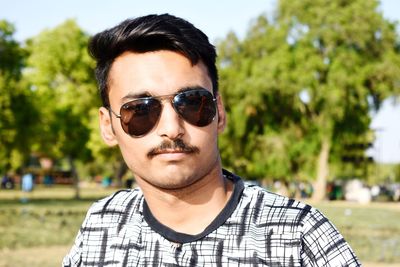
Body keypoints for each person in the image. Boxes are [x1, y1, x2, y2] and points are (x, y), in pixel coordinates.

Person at [63, 14, 360, 266]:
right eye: (140, 111)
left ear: (219, 111)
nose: (172, 128)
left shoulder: (298, 236)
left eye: (191, 103)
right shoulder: (103, 224)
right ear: (108, 126)